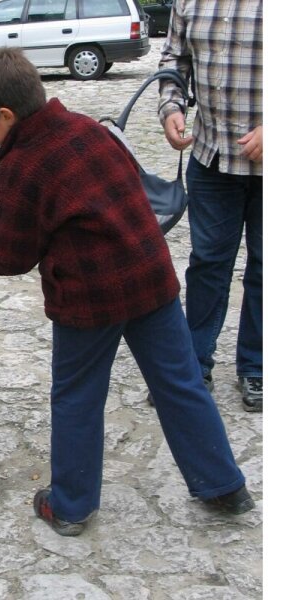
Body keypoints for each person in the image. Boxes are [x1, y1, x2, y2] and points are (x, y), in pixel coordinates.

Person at [0, 47, 254, 537]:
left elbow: (10, 255)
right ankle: (224, 486)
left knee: (76, 397)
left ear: (5, 115)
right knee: (182, 382)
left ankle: (69, 506)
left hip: (90, 299)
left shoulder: (23, 165)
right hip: (151, 278)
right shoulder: (89, 128)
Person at [157, 0, 263, 412]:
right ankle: (194, 363)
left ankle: (257, 367)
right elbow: (175, 59)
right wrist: (171, 107)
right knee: (207, 264)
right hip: (212, 155)